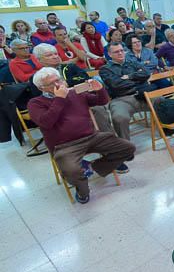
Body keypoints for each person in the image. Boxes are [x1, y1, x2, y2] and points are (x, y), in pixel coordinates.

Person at [28, 67, 135, 203]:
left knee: (128, 148)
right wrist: (59, 99)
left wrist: (99, 89)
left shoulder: (75, 92)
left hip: (91, 137)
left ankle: (93, 167)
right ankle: (83, 191)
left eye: (58, 80)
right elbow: (46, 122)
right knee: (71, 171)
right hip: (64, 146)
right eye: (51, 84)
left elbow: (101, 101)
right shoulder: (35, 103)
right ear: (41, 88)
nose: (58, 85)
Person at [32, 43, 112, 132]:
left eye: (56, 54)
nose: (55, 57)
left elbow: (84, 77)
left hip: (81, 100)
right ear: (39, 60)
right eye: (49, 55)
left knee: (98, 109)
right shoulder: (37, 77)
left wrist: (67, 83)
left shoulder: (69, 67)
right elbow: (38, 97)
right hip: (56, 106)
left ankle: (108, 137)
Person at [100, 43, 154, 142]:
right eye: (116, 52)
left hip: (141, 94)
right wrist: (138, 80)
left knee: (161, 101)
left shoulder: (131, 62)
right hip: (121, 99)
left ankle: (165, 129)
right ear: (110, 54)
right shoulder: (105, 69)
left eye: (121, 50)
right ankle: (126, 145)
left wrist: (130, 76)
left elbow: (146, 73)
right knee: (119, 117)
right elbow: (116, 85)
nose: (120, 53)